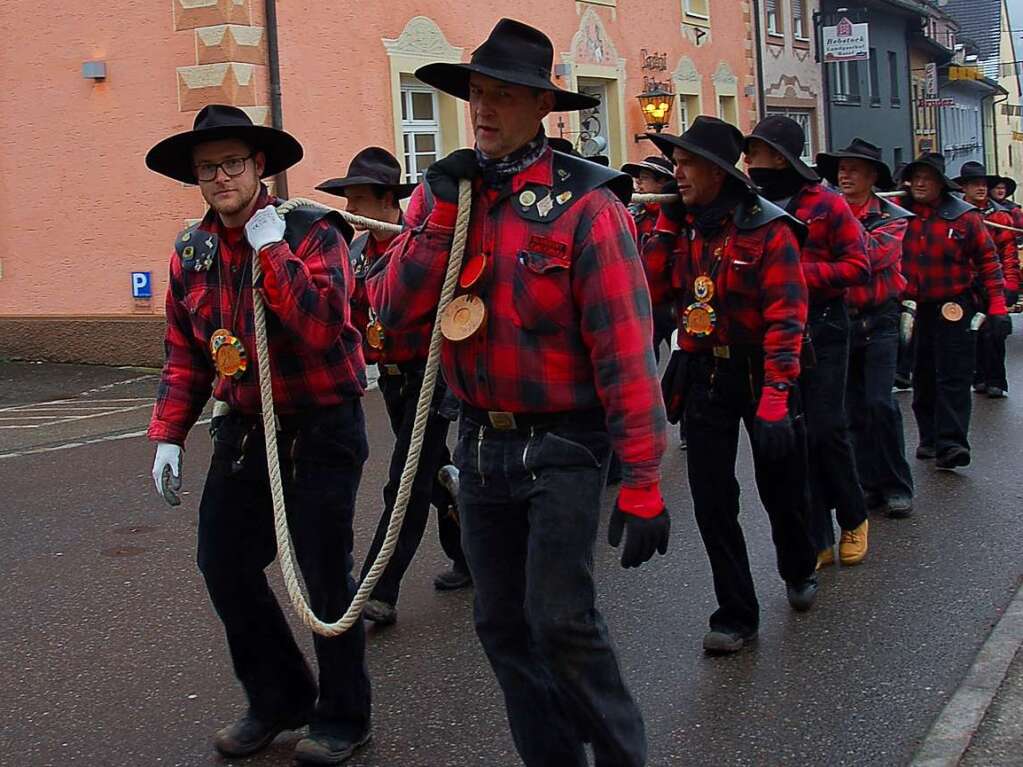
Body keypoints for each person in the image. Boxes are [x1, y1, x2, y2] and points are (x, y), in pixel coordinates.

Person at [367, 19, 668, 767]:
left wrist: (642, 481)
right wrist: (435, 217)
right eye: (477, 93)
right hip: (477, 440)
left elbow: (626, 351)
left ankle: (624, 756)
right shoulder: (450, 200)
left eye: (504, 95)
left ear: (542, 107)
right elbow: (393, 314)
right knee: (499, 624)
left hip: (563, 443)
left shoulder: (587, 207)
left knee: (560, 619)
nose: (485, 109)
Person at [145, 105, 372, 764]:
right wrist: (168, 432)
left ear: (259, 166)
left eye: (232, 163)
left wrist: (272, 249)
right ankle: (277, 696)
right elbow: (187, 351)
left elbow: (321, 324)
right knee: (223, 563)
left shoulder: (311, 231)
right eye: (207, 168)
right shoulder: (192, 250)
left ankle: (343, 715)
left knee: (325, 576)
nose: (220, 178)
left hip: (322, 425)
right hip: (245, 428)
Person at [644, 117, 818, 654]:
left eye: (686, 162)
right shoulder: (683, 224)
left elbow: (788, 319)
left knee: (780, 485)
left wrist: (775, 399)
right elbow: (647, 289)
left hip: (761, 369)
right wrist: (667, 226)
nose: (676, 171)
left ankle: (797, 564)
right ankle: (736, 612)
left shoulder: (770, 228)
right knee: (712, 498)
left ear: (718, 172)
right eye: (675, 162)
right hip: (706, 374)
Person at [316, 147, 471, 627]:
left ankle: (380, 590)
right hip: (394, 378)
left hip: (432, 375)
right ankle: (468, 553)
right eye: (349, 202)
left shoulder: (423, 244)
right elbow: (352, 318)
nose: (353, 212)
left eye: (360, 201)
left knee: (404, 481)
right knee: (431, 470)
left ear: (389, 202)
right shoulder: (358, 251)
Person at [745, 116, 871, 567]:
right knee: (792, 438)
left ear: (778, 157)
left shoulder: (826, 203)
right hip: (776, 330)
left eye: (754, 152)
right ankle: (816, 533)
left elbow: (859, 266)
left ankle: (854, 516)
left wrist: (797, 276)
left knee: (825, 429)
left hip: (825, 326)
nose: (747, 161)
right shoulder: (751, 201)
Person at [816, 139, 914, 524]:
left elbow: (870, 259)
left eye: (854, 169)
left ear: (873, 177)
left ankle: (897, 485)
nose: (844, 175)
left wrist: (837, 232)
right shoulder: (828, 214)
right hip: (840, 320)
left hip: (880, 318)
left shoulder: (891, 217)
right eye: (841, 168)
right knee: (849, 409)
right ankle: (867, 483)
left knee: (879, 404)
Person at [900, 153, 1009, 469]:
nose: (920, 183)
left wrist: (998, 307)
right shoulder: (899, 214)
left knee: (954, 375)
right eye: (915, 177)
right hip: (913, 307)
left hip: (954, 305)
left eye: (927, 178)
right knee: (922, 374)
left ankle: (952, 443)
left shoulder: (965, 218)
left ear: (940, 184)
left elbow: (990, 263)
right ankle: (930, 438)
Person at [952, 162, 1018, 399]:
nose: (980, 188)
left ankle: (996, 380)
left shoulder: (1000, 217)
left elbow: (1009, 254)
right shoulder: (957, 214)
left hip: (992, 279)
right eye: (974, 184)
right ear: (964, 188)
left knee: (995, 330)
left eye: (983, 184)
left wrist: (1010, 285)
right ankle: (978, 375)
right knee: (971, 331)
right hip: (964, 283)